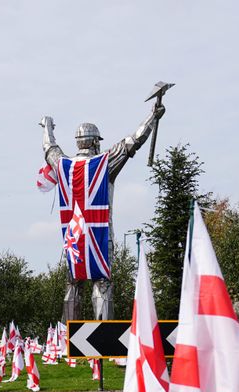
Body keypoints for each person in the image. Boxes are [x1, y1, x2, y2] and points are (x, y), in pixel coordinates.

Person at [39, 100, 164, 321]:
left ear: (78, 143)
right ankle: (102, 338)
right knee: (102, 284)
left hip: (73, 239)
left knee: (72, 284)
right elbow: (133, 141)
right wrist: (152, 117)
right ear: (95, 142)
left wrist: (47, 126)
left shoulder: (63, 165)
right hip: (100, 237)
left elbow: (49, 148)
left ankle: (68, 339)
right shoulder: (104, 164)